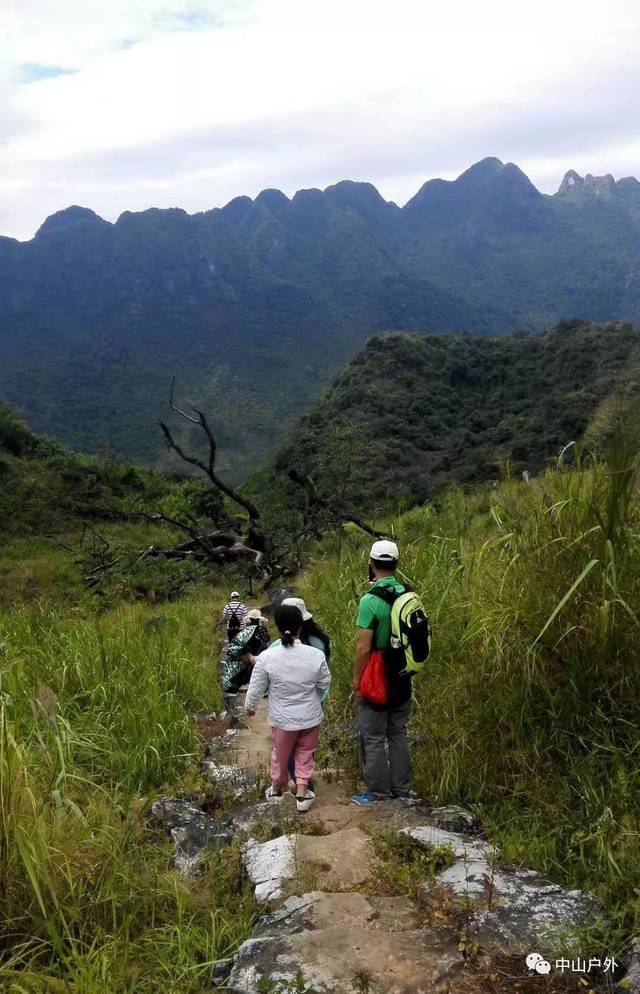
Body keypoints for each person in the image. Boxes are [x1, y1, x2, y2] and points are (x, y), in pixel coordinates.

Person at [245, 604, 330, 813]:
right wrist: (314, 698)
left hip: (282, 719)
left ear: (278, 627)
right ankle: (302, 793)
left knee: (280, 754)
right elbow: (324, 682)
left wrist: (250, 707)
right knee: (305, 753)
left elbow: (256, 686)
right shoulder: (315, 655)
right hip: (310, 717)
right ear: (301, 626)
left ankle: (276, 790)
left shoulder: (267, 656)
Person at [351, 540, 413, 805]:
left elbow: (364, 647)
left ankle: (377, 793)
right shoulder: (409, 595)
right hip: (403, 672)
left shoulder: (370, 600)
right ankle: (402, 791)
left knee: (374, 736)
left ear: (372, 565)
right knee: (397, 733)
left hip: (378, 675)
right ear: (396, 564)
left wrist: (357, 682)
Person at [278, 597, 331, 792]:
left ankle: (298, 778)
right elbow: (324, 674)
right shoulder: (320, 641)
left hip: (287, 700)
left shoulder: (279, 644)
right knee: (306, 743)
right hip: (316, 697)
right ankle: (304, 777)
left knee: (290, 741)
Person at [221, 609, 269, 697]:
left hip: (246, 655)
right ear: (259, 620)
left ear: (249, 620)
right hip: (259, 655)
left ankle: (235, 686)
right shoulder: (261, 629)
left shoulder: (246, 630)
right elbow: (266, 640)